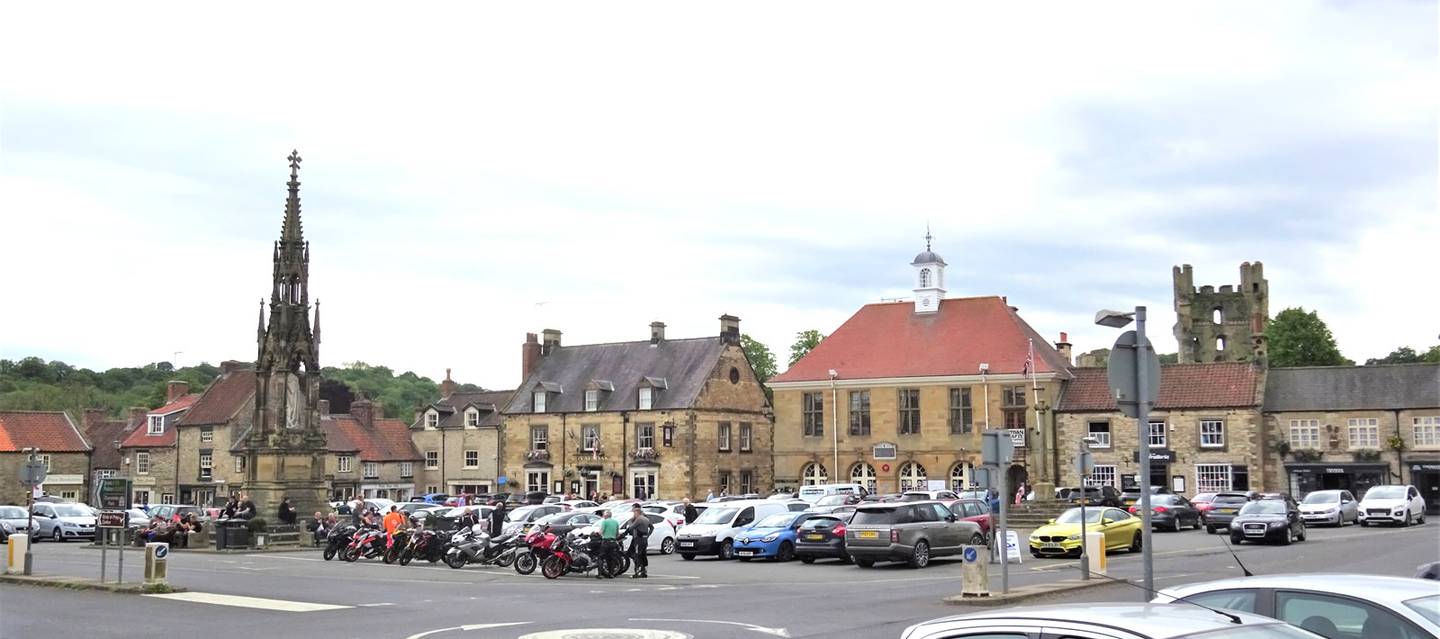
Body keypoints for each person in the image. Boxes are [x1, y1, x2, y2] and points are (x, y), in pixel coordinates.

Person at [626, 504, 652, 579]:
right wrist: (648, 535)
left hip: (638, 539)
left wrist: (630, 521)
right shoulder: (646, 519)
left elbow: (631, 528)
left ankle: (637, 572)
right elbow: (651, 527)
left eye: (634, 512)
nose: (633, 513)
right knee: (643, 555)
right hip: (644, 539)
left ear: (637, 512)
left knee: (637, 555)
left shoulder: (639, 519)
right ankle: (644, 571)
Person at [597, 510, 620, 579]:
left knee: (601, 557)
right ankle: (611, 574)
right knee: (611, 558)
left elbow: (601, 532)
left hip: (606, 541)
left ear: (606, 515)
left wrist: (597, 534)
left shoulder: (604, 522)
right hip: (613, 542)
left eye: (604, 514)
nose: (603, 516)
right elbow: (617, 533)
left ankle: (600, 574)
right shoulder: (616, 522)